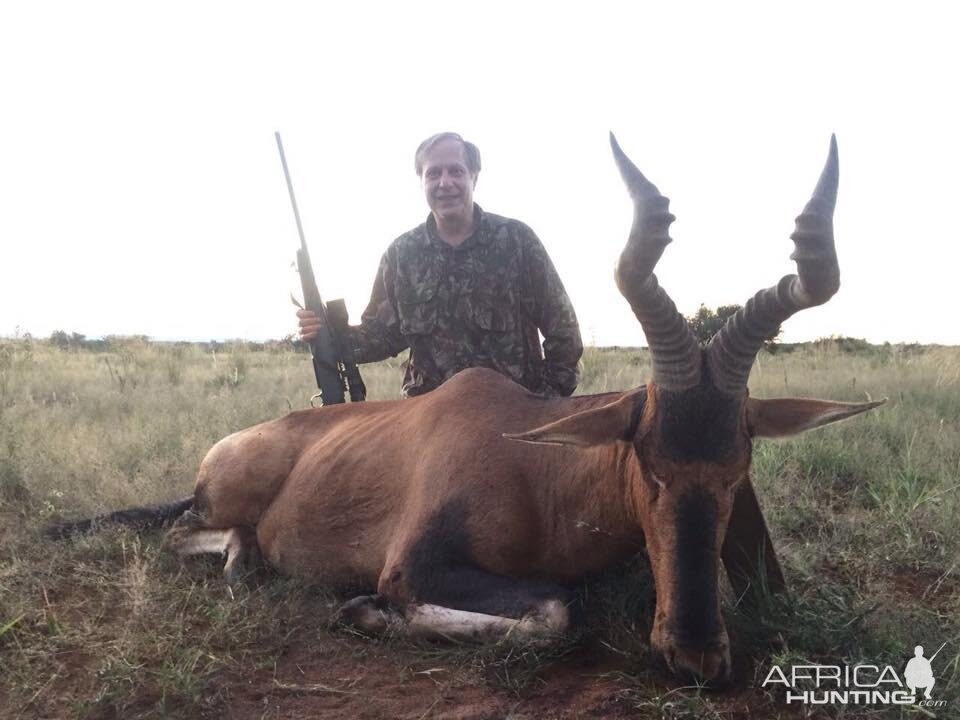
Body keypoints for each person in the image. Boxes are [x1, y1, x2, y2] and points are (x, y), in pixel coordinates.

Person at [298, 132, 583, 397]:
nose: (445, 183)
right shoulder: (401, 254)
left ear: (474, 176)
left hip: (509, 421)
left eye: (456, 171)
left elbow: (564, 333)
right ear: (421, 181)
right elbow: (381, 336)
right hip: (427, 425)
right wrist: (325, 333)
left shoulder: (517, 241)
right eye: (433, 173)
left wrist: (543, 400)